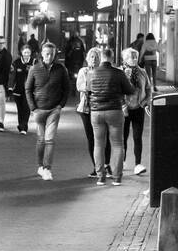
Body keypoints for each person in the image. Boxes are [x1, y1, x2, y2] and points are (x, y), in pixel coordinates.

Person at [88, 45, 134, 186]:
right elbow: (129, 89)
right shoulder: (118, 73)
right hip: (114, 110)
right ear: (112, 57)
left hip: (96, 112)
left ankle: (100, 177)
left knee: (99, 145)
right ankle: (117, 177)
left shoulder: (92, 73)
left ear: (101, 57)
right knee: (118, 144)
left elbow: (89, 90)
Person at [25, 41, 71, 181]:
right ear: (42, 54)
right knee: (41, 140)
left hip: (54, 110)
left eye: (52, 54)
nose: (49, 56)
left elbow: (67, 88)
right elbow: (28, 89)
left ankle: (47, 168)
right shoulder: (34, 69)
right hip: (39, 110)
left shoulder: (61, 69)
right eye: (46, 53)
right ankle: (40, 166)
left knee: (49, 139)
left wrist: (60, 106)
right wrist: (33, 108)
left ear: (55, 54)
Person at [75, 46, 110, 177]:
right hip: (86, 109)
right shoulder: (83, 71)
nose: (93, 59)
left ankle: (106, 165)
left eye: (96, 57)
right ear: (87, 58)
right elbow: (81, 86)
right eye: (91, 56)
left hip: (102, 108)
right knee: (92, 139)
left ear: (100, 59)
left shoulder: (104, 71)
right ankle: (96, 167)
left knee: (103, 138)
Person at [121, 46, 151, 175]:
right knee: (123, 136)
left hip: (138, 108)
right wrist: (122, 105)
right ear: (125, 59)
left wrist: (145, 102)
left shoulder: (142, 72)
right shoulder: (120, 72)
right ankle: (121, 162)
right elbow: (117, 90)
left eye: (135, 57)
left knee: (137, 137)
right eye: (131, 57)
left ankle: (138, 164)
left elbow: (149, 89)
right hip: (124, 109)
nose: (134, 59)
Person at [7, 44, 35, 134]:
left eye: (28, 52)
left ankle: (24, 127)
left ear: (30, 53)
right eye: (25, 52)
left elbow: (38, 75)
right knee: (20, 108)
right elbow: (12, 75)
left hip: (30, 90)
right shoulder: (16, 62)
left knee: (26, 107)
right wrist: (10, 87)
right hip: (18, 89)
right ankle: (21, 124)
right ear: (22, 53)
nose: (26, 54)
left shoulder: (35, 62)